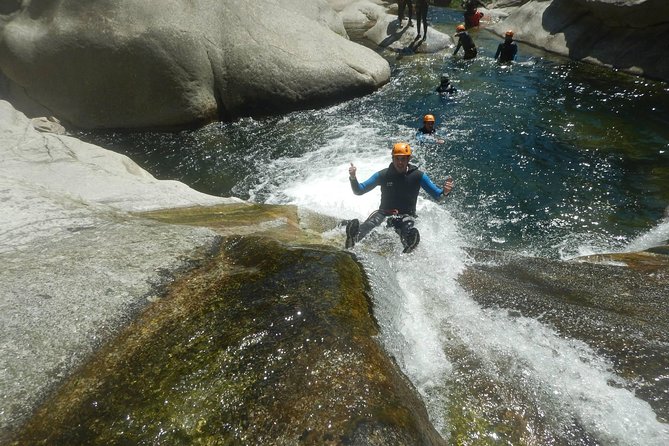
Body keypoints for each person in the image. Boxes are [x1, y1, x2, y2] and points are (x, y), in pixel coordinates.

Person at [345, 142, 454, 253]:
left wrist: (445, 192)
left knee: (406, 227)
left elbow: (438, 197)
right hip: (384, 213)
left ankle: (410, 244)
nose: (400, 162)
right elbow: (359, 190)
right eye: (397, 159)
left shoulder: (418, 176)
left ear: (408, 159)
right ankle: (353, 238)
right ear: (393, 159)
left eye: (403, 159)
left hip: (406, 215)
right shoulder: (383, 175)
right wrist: (353, 178)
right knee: (371, 223)